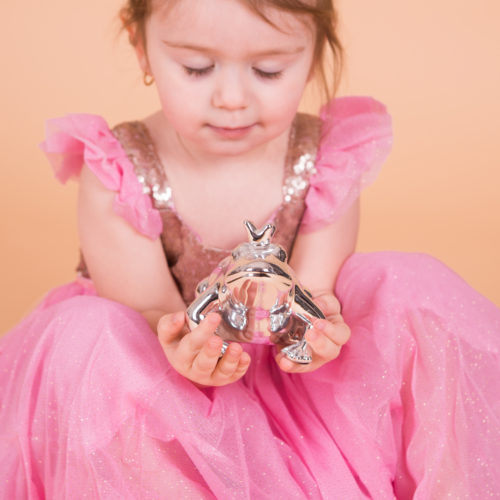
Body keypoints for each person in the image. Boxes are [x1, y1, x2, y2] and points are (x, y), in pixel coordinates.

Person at [1, 0, 499, 498]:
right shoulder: (119, 169)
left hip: (293, 382)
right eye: (197, 68)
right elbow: (147, 317)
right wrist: (190, 349)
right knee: (88, 337)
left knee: (413, 286)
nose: (232, 99)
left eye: (269, 71)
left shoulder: (327, 159)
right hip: (162, 379)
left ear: (312, 56)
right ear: (142, 49)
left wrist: (315, 337)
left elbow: (309, 296)